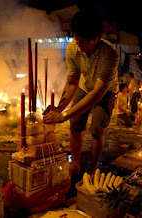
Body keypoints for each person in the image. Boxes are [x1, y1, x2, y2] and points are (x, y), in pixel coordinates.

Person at [43, 10, 119, 175]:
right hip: (84, 87)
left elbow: (98, 93)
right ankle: (75, 165)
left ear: (97, 38)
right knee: (75, 126)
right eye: (76, 39)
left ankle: (92, 171)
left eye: (84, 42)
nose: (79, 45)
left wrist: (63, 116)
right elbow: (72, 83)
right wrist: (59, 109)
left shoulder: (110, 54)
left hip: (105, 92)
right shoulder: (72, 48)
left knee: (96, 129)